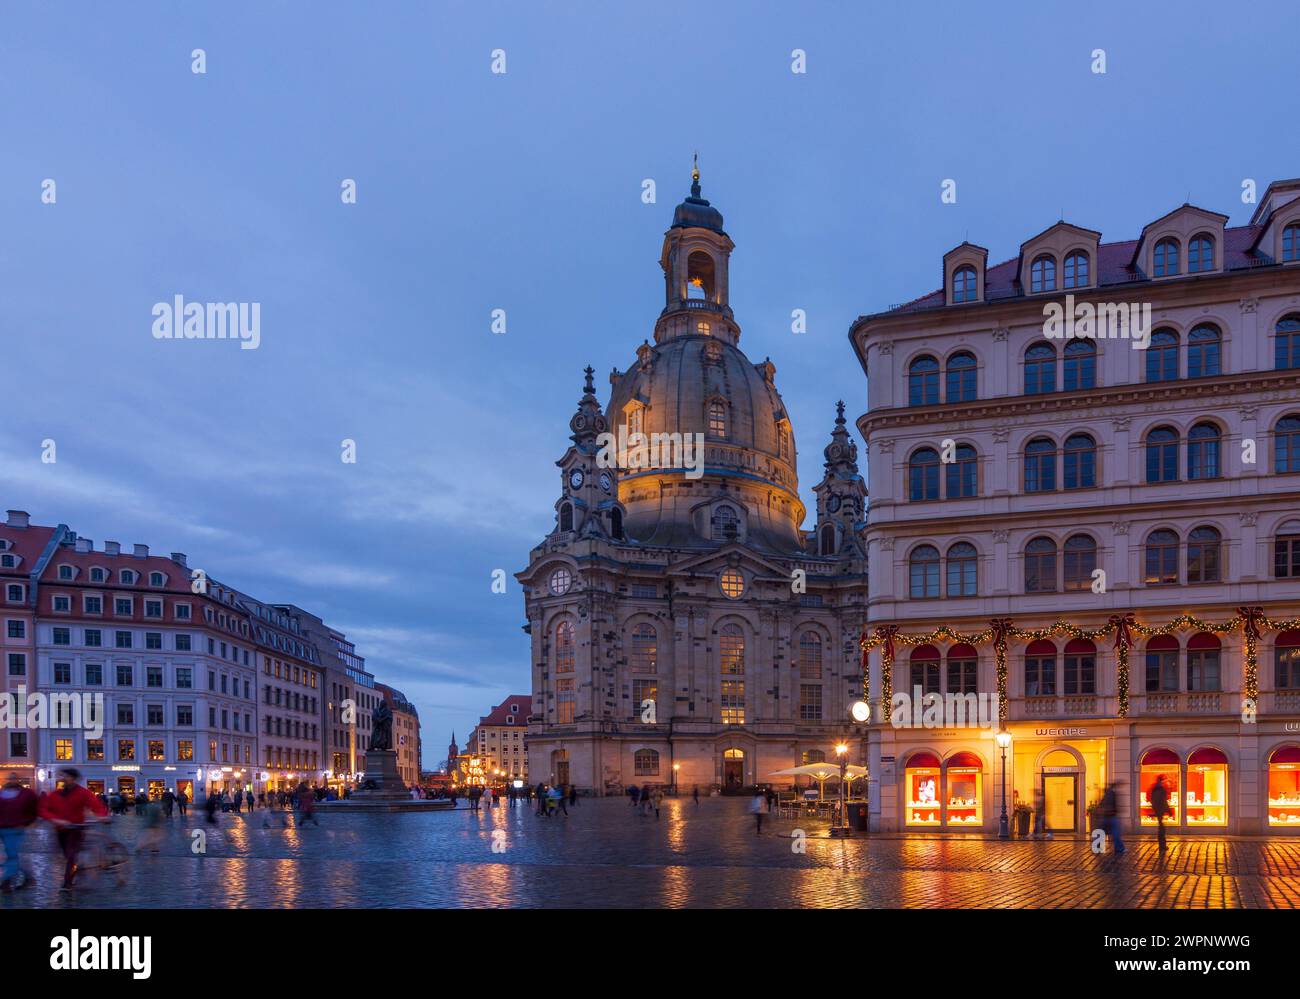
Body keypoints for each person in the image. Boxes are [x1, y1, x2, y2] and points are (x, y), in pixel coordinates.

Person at [37, 768, 109, 890]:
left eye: (67, 776)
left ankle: (67, 883)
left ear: (74, 779)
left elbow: (96, 806)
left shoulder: (83, 793)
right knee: (67, 855)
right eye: (62, 776)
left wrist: (102, 816)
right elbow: (43, 809)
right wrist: (55, 819)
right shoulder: (55, 794)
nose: (63, 778)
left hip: (76, 829)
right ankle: (75, 868)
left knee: (71, 855)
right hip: (60, 830)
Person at [0, 772, 39, 890]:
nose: (12, 780)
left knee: (12, 855)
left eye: (14, 778)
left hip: (16, 828)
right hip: (2, 827)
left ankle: (6, 880)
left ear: (18, 780)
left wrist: (28, 822)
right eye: (10, 778)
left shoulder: (27, 794)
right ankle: (28, 877)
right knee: (11, 854)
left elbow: (35, 808)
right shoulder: (1, 793)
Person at [1100, 783, 1124, 855]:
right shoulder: (1111, 793)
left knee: (1103, 831)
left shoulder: (1106, 794)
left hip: (1107, 815)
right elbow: (1111, 805)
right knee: (1116, 832)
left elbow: (1102, 804)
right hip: (1111, 816)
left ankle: (1098, 847)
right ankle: (1119, 848)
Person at [1150, 774, 1171, 851]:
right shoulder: (1160, 789)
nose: (1164, 781)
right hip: (1160, 810)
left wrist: (1154, 807)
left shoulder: (1155, 788)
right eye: (1163, 780)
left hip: (1157, 809)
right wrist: (1168, 810)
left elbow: (1152, 799)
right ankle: (1162, 845)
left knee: (1161, 827)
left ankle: (1162, 845)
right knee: (1161, 828)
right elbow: (1163, 800)